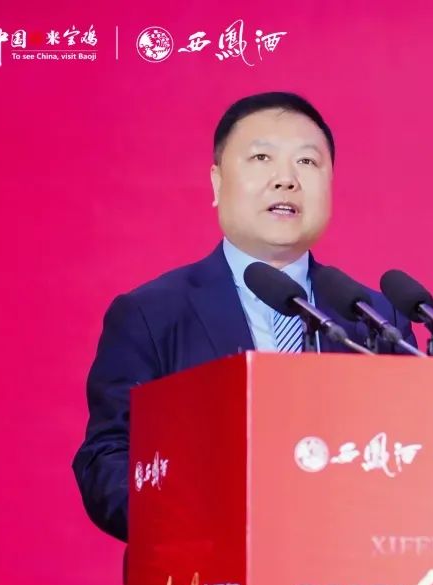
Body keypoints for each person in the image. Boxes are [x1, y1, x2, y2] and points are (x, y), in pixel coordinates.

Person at [72, 91, 414, 542]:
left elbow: (414, 453)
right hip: (209, 569)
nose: (286, 180)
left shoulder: (377, 319)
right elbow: (107, 460)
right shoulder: (152, 315)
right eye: (261, 158)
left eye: (307, 162)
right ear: (217, 183)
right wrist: (189, 517)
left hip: (348, 569)